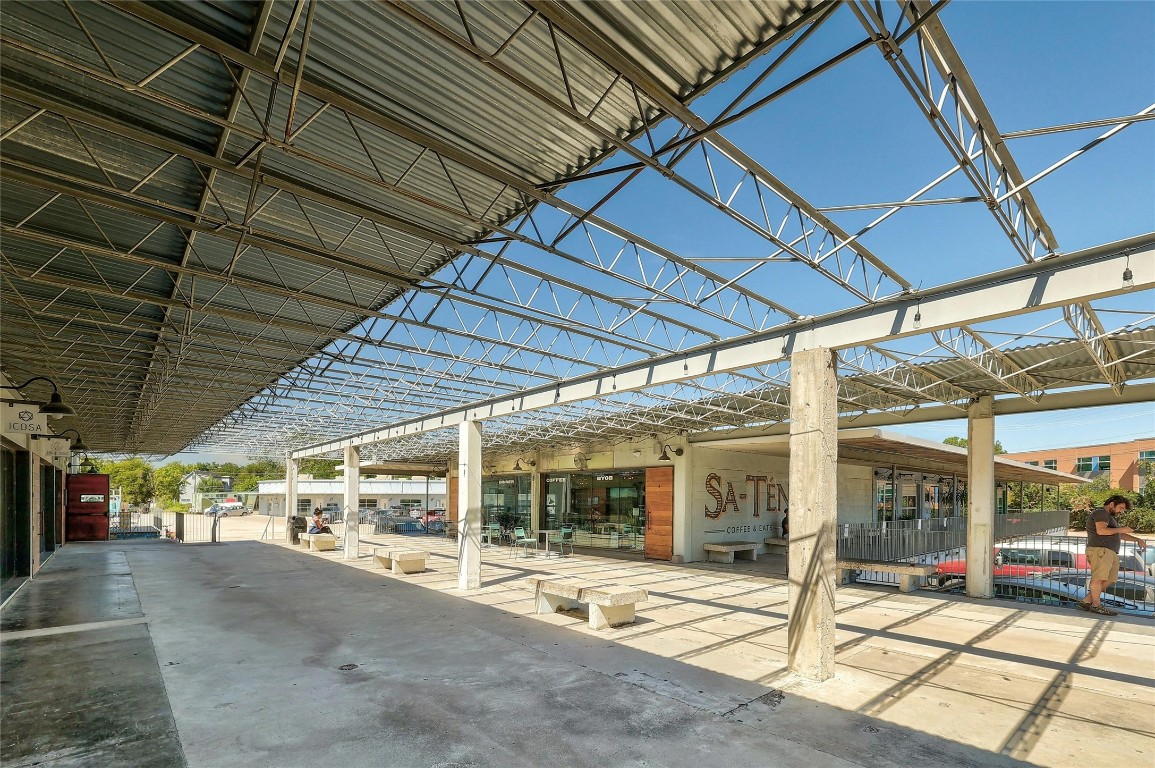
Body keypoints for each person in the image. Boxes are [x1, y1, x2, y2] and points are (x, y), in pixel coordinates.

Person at [1078, 495, 1146, 616]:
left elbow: (1119, 534)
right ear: (1112, 504)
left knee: (1110, 579)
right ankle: (1096, 605)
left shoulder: (1109, 517)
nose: (1122, 511)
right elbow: (1101, 531)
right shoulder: (1101, 513)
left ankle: (1087, 601)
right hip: (1101, 550)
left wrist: (1137, 539)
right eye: (1121, 508)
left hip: (1109, 552)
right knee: (1098, 578)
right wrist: (1122, 529)